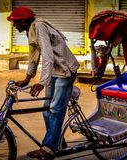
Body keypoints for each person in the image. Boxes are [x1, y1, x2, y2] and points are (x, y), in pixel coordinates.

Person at [7, 6, 79, 159]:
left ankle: (48, 148)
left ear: (24, 21)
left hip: (65, 71)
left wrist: (41, 82)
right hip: (55, 71)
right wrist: (28, 78)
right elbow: (34, 54)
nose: (14, 26)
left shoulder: (39, 26)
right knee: (47, 109)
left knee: (56, 109)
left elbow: (47, 56)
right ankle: (58, 143)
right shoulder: (31, 30)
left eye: (16, 22)